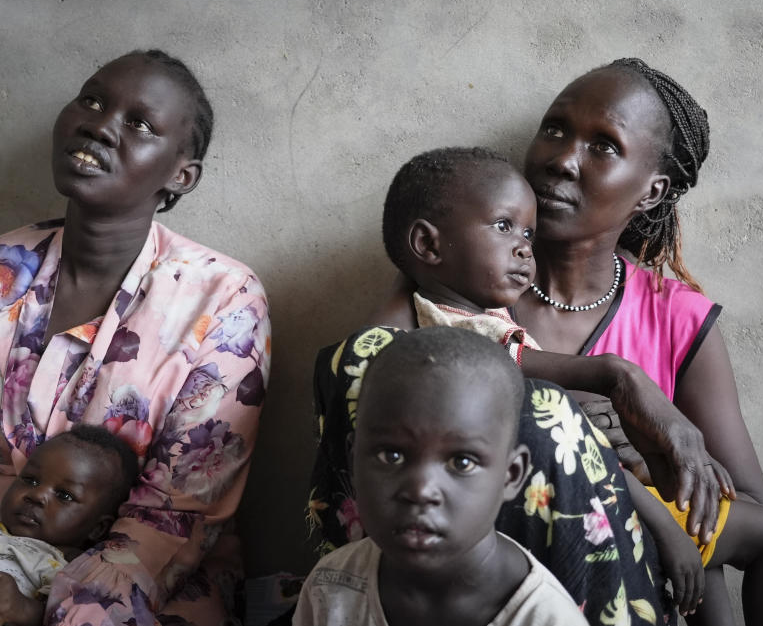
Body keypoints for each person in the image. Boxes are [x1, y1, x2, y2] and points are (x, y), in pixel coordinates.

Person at [379, 145, 763, 621]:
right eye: (503, 227)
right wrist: (614, 376)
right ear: (429, 246)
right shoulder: (468, 335)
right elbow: (570, 427)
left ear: (653, 190)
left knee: (710, 573)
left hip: (612, 495)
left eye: (527, 233)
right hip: (600, 514)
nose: (523, 246)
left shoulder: (468, 314)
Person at [512, 58, 763, 625]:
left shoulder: (678, 320)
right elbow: (369, 372)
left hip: (635, 587)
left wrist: (647, 461)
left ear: (652, 191)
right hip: (502, 570)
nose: (562, 159)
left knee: (703, 567)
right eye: (555, 129)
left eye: (603, 146)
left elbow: (752, 515)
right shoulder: (467, 280)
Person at [0, 50, 271, 625]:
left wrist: (41, 609)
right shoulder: (5, 266)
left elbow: (177, 512)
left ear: (181, 175)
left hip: (139, 573)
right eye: (92, 100)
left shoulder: (223, 299)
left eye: (140, 124)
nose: (98, 124)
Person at [295, 328, 589, 626]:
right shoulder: (330, 589)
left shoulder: (547, 618)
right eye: (391, 456)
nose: (421, 490)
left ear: (511, 476)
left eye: (462, 462)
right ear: (353, 460)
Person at [0, 425, 138, 625]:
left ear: (97, 528)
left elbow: (74, 615)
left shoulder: (74, 569)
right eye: (30, 480)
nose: (36, 495)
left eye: (64, 495)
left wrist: (25, 610)